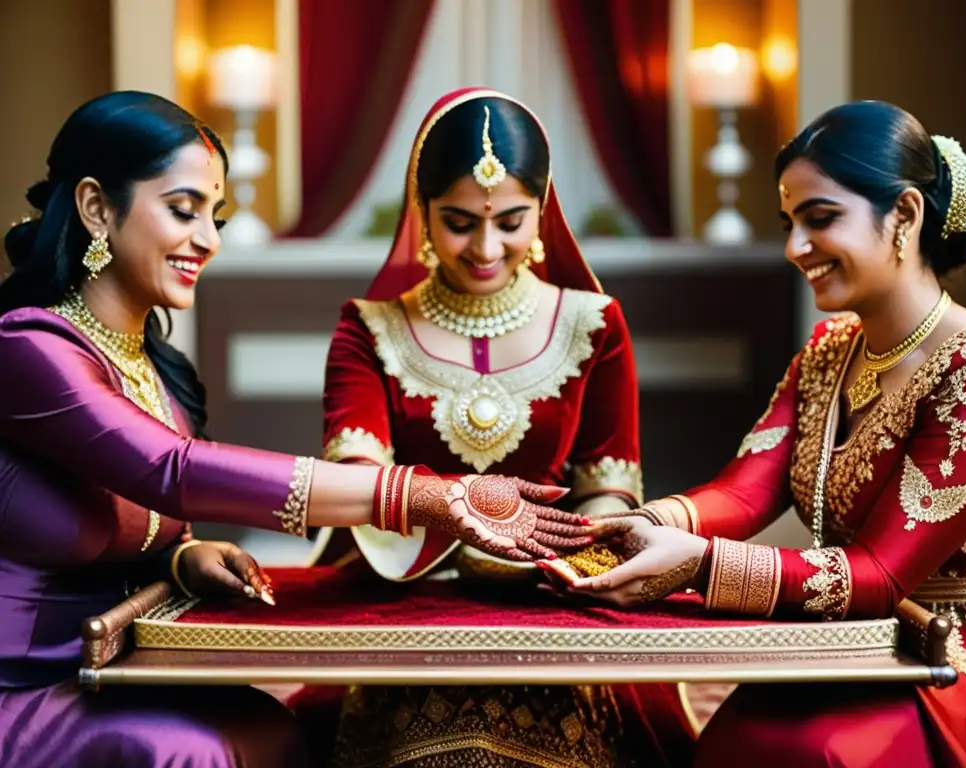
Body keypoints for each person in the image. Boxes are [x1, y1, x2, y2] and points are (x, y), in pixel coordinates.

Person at [0, 91, 592, 768]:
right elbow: (171, 470)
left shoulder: (155, 370)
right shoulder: (28, 350)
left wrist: (180, 558)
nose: (208, 240)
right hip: (24, 685)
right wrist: (426, 497)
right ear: (97, 209)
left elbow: (137, 516)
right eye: (184, 210)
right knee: (195, 753)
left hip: (111, 665)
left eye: (213, 216)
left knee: (273, 729)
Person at [566, 101, 966, 767]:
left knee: (808, 753)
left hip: (959, 658)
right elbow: (745, 492)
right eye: (790, 223)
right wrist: (647, 522)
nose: (794, 247)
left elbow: (879, 575)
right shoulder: (830, 352)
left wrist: (696, 564)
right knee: (724, 741)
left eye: (821, 218)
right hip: (852, 637)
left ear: (905, 215)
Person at [293, 88, 684, 767]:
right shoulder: (371, 329)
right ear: (421, 212)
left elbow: (606, 486)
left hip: (549, 595)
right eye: (458, 221)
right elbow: (358, 486)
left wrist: (581, 562)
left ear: (542, 209)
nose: (485, 247)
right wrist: (457, 529)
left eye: (511, 221)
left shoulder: (593, 324)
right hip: (409, 591)